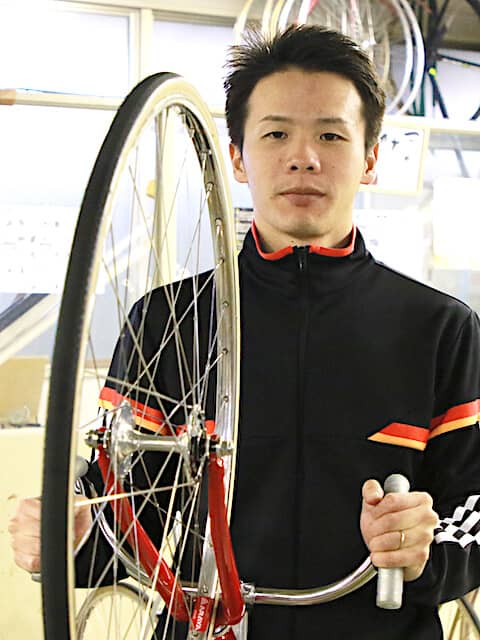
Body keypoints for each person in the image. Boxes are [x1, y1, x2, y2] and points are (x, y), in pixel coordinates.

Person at [9, 25, 480, 639]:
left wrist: (422, 551)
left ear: (369, 159)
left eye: (331, 135)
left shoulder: (440, 328)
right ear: (236, 157)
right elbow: (126, 507)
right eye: (276, 133)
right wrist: (67, 538)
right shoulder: (167, 319)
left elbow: (472, 510)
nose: (303, 158)